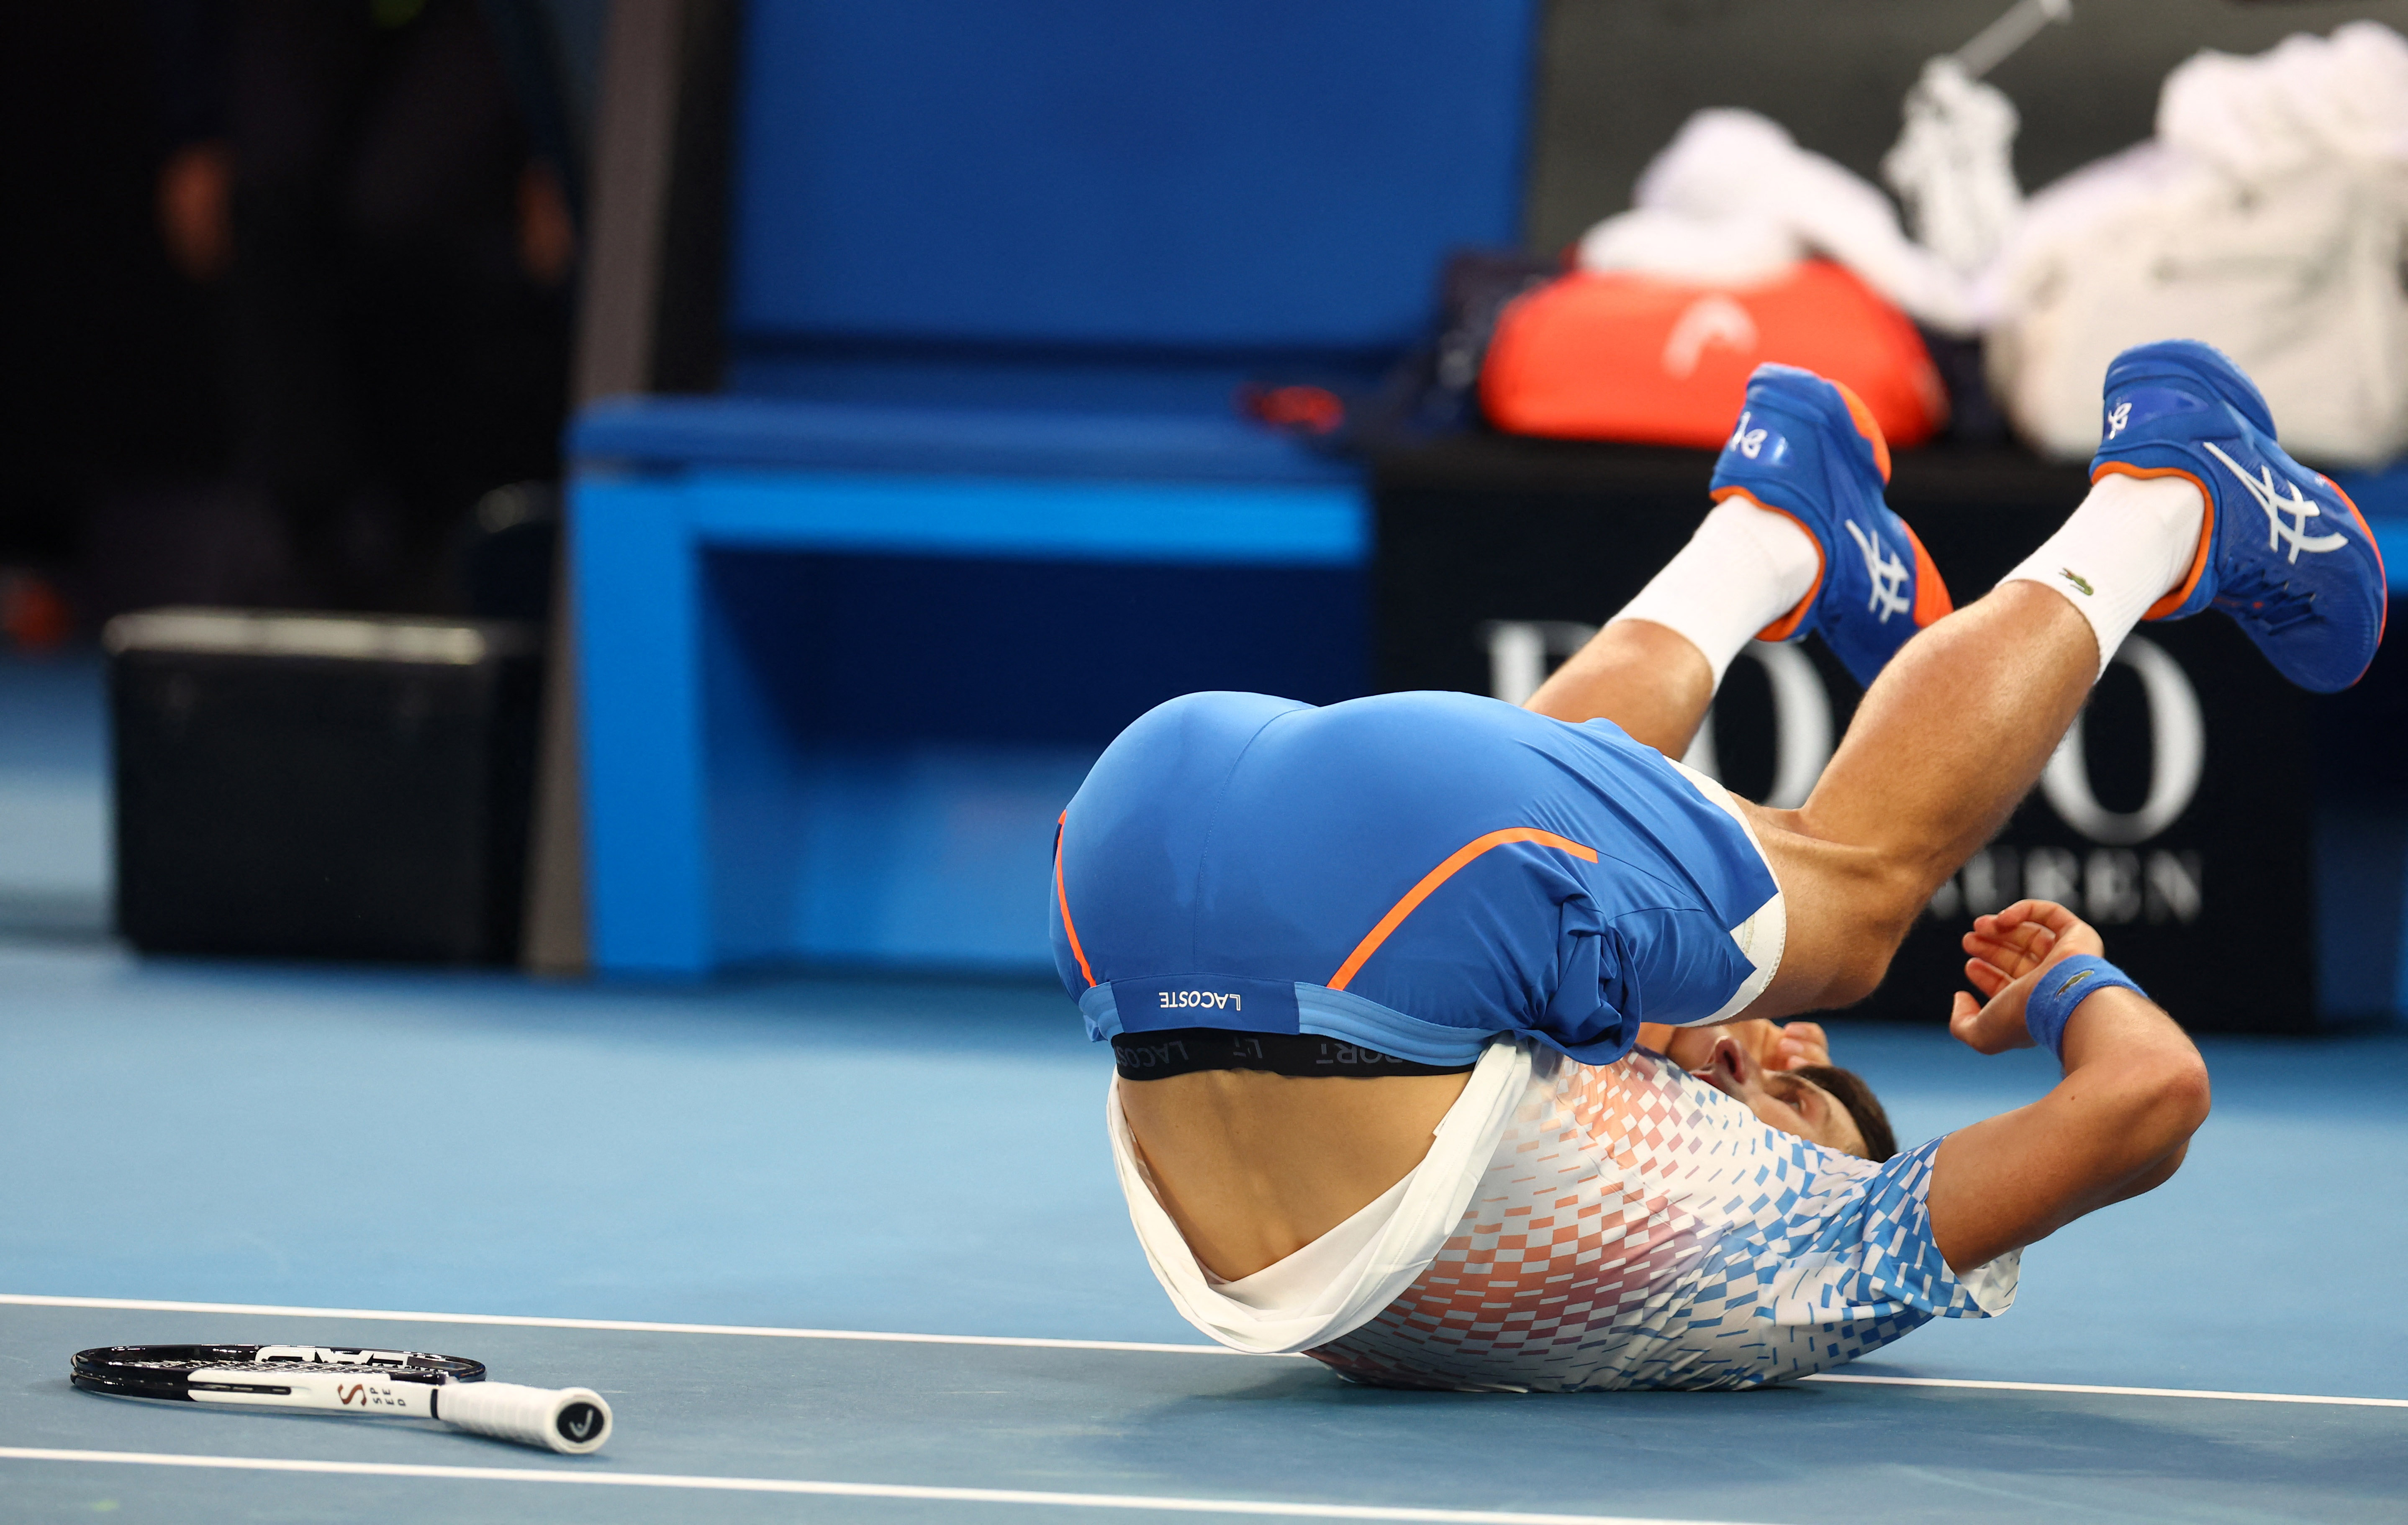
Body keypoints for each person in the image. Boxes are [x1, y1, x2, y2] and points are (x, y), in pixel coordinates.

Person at [1051, 341, 2385, 1390]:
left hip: (1151, 894)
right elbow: (2148, 1097)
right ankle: (2133, 506)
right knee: (1821, 914)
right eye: (1821, 1086)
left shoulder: (1713, 1202)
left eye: (1798, 1105)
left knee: (1844, 905)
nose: (1782, 1050)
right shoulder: (1836, 1262)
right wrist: (2071, 990)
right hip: (1203, 861)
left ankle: (1863, 517)